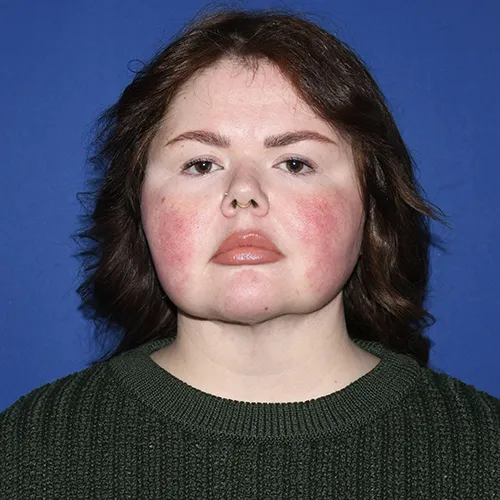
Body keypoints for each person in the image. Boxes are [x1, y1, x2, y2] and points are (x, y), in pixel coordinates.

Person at [1, 9, 499, 499]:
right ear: (138, 208)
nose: (243, 192)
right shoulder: (27, 451)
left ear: (371, 204)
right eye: (201, 164)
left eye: (295, 162)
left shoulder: (483, 451)